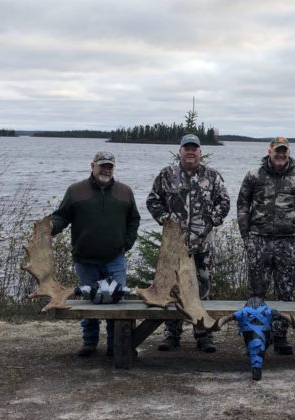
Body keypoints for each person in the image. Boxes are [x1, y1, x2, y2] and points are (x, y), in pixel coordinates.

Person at [51, 151, 141, 357]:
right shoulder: (75, 191)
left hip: (115, 259)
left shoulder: (125, 192)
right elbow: (61, 217)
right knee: (88, 303)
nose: (106, 169)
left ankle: (114, 344)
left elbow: (134, 219)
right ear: (92, 166)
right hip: (85, 259)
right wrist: (49, 228)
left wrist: (126, 243)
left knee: (116, 302)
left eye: (109, 166)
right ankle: (90, 342)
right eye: (102, 165)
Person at [146, 134, 230, 353]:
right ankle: (171, 334)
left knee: (202, 287)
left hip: (203, 244)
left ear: (200, 152)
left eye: (194, 148)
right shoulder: (167, 175)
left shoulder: (212, 176)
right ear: (180, 151)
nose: (190, 152)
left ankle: (203, 334)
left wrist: (211, 220)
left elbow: (224, 202)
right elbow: (152, 200)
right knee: (173, 289)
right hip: (175, 244)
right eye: (186, 148)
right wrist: (167, 221)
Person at [236, 136, 295, 355]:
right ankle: (256, 336)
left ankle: (280, 336)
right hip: (258, 240)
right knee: (256, 294)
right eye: (277, 150)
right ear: (269, 150)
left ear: (288, 153)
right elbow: (242, 205)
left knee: (285, 293)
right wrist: (247, 237)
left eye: (284, 151)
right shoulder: (254, 175)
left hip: (287, 242)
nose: (280, 154)